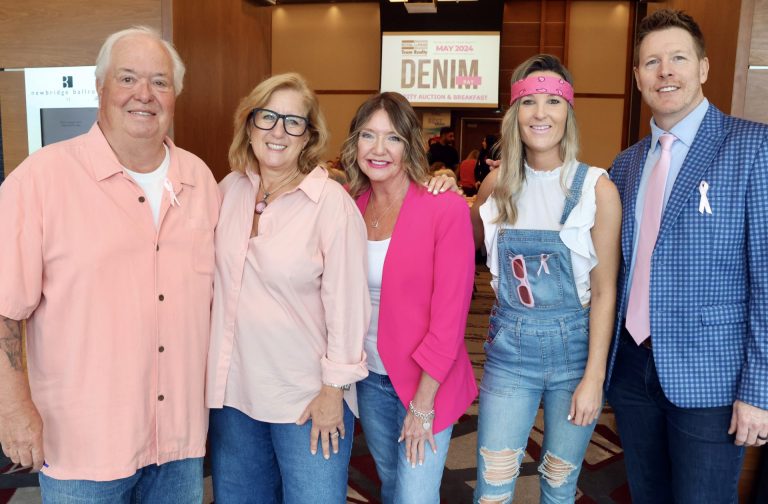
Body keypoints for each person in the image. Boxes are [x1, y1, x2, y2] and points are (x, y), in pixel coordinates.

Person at [0, 27, 219, 502]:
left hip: (178, 444)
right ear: (100, 87)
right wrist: (13, 409)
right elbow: (4, 308)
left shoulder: (201, 180)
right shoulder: (41, 179)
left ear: (175, 95)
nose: (145, 94)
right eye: (128, 78)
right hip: (83, 446)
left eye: (160, 82)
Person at [604, 9, 768, 503]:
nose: (665, 71)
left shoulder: (752, 148)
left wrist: (758, 391)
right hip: (632, 369)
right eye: (651, 62)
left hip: (711, 378)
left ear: (703, 68)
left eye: (678, 58)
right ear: (637, 77)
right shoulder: (627, 163)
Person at [206, 72, 370, 504]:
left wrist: (334, 391)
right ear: (249, 123)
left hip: (306, 401)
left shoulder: (332, 205)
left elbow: (349, 309)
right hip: (235, 397)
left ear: (308, 137)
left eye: (293, 122)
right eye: (268, 117)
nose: (278, 131)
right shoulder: (228, 190)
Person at [471, 54, 621, 503]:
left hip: (574, 355)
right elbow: (463, 253)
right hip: (508, 352)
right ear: (515, 114)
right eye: (529, 101)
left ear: (568, 111)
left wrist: (594, 377)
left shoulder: (597, 188)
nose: (541, 113)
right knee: (493, 488)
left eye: (553, 101)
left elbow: (604, 290)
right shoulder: (494, 188)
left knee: (559, 485)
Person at [340, 91, 477, 503]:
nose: (379, 149)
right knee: (393, 485)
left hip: (426, 381)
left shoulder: (444, 208)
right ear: (355, 143)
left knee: (415, 497)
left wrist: (423, 404)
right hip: (370, 376)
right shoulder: (348, 204)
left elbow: (450, 318)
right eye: (368, 135)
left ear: (410, 145)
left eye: (393, 138)